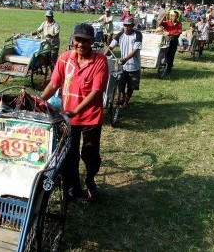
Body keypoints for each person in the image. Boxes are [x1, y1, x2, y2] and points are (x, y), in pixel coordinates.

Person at [40, 23, 108, 203]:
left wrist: (76, 110)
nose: (81, 44)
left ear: (92, 41)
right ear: (73, 40)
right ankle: (73, 186)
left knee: (90, 153)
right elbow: (54, 84)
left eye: (85, 41)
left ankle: (90, 180)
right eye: (78, 40)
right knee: (70, 154)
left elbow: (96, 92)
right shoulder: (64, 59)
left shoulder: (100, 61)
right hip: (68, 118)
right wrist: (39, 102)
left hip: (90, 117)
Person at [104, 17, 142, 108]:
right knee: (121, 84)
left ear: (132, 26)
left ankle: (126, 101)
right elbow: (111, 46)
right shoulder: (120, 34)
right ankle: (122, 97)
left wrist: (125, 59)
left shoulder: (138, 34)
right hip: (122, 65)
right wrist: (104, 55)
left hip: (134, 65)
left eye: (129, 26)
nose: (126, 27)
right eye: (125, 25)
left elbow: (135, 50)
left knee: (131, 86)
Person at [156, 10, 182, 77]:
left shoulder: (179, 24)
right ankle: (163, 65)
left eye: (175, 16)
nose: (174, 18)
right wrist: (164, 15)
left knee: (171, 55)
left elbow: (178, 33)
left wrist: (170, 33)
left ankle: (169, 68)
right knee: (163, 53)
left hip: (173, 41)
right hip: (166, 40)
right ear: (170, 16)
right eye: (173, 16)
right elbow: (159, 24)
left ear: (177, 17)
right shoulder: (167, 22)